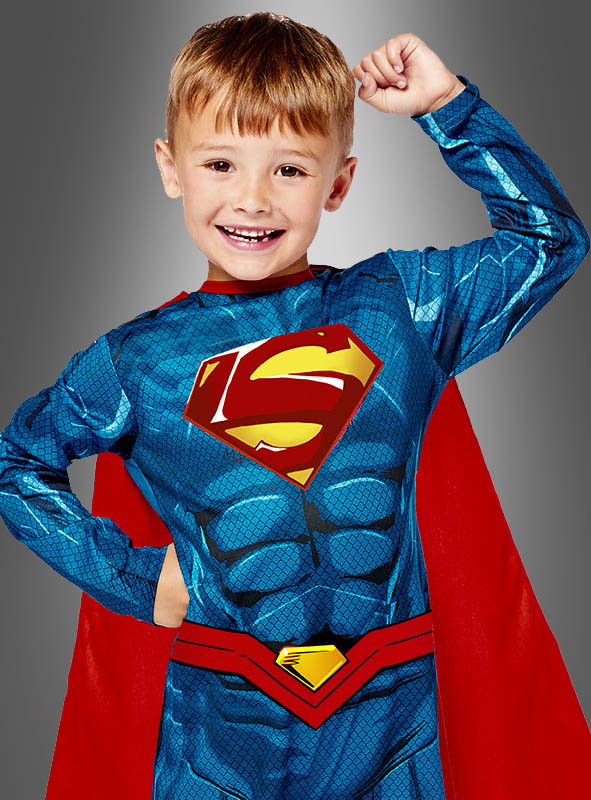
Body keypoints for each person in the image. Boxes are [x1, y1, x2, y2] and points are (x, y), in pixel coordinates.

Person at [0, 12, 589, 800]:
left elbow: (549, 241)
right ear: (170, 169)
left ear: (337, 183)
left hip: (391, 718)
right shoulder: (134, 363)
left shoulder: (399, 309)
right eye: (219, 163)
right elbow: (16, 462)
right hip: (221, 725)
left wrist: (446, 106)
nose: (251, 199)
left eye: (288, 169)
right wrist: (135, 579)